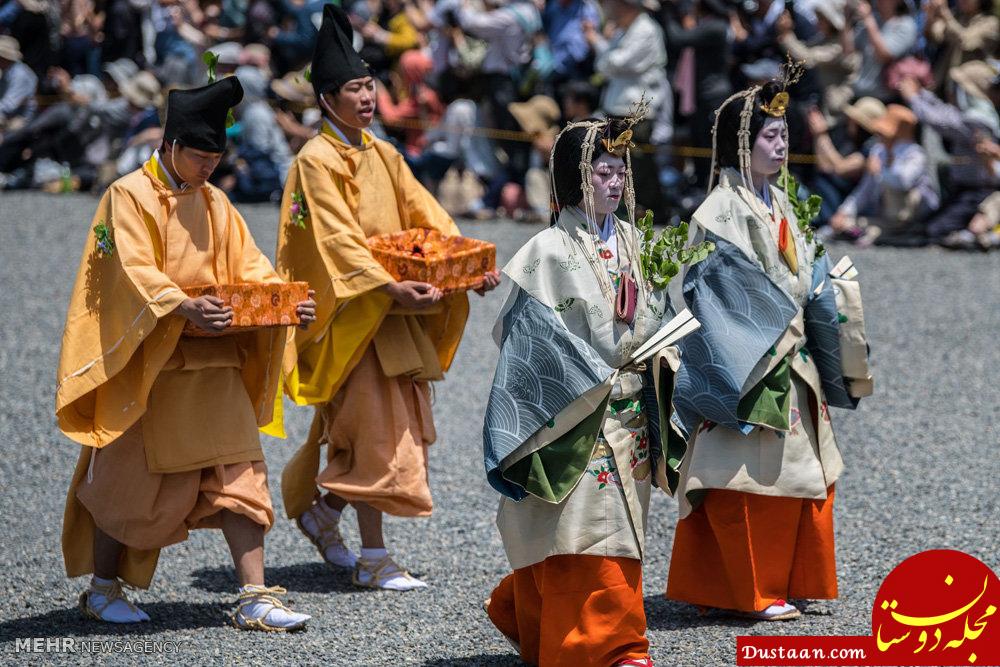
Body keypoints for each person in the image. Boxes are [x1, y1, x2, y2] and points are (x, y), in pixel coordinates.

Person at [57, 76, 317, 631]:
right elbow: (131, 269)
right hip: (153, 364)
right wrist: (182, 306)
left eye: (215, 157)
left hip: (215, 360)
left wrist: (281, 303)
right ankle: (103, 589)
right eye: (200, 156)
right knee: (126, 483)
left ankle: (254, 595)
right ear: (171, 144)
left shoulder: (216, 200)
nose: (208, 168)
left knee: (242, 477)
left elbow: (248, 267)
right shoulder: (126, 194)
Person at [272, 4, 500, 591]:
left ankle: (323, 513)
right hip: (353, 310)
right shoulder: (315, 161)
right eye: (354, 88)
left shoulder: (381, 151)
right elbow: (334, 243)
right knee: (375, 431)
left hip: (392, 308)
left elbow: (428, 213)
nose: (368, 97)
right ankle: (373, 558)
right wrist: (388, 285)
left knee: (394, 426)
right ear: (327, 99)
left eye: (370, 85)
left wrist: (466, 263)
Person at [483, 108, 701, 667]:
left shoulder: (634, 239)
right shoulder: (547, 251)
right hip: (576, 409)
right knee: (575, 529)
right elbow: (519, 334)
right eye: (603, 170)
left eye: (620, 170)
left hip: (631, 408)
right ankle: (588, 642)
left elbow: (656, 313)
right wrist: (582, 369)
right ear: (573, 180)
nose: (615, 181)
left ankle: (619, 642)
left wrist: (662, 349)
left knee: (624, 529)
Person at [665, 70, 873, 621]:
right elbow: (717, 298)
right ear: (741, 143)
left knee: (805, 474)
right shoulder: (718, 213)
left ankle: (783, 579)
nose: (781, 146)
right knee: (744, 479)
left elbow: (810, 277)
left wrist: (828, 299)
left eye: (784, 135)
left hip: (792, 359)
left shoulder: (783, 202)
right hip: (752, 361)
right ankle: (748, 589)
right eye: (769, 137)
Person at [585, 0, 670, 218]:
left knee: (637, 160)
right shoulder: (625, 31)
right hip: (619, 104)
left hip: (636, 107)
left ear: (626, 6)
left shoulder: (646, 29)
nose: (609, 8)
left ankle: (650, 209)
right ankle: (627, 206)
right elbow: (607, 64)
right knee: (620, 158)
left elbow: (617, 62)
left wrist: (599, 46)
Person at [899, 62, 1000, 244]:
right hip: (963, 188)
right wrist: (921, 93)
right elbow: (946, 112)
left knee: (935, 231)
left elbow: (942, 122)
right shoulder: (973, 114)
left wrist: (914, 97)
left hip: (976, 191)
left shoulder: (980, 120)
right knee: (924, 225)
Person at [828, 104, 939, 246]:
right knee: (846, 222)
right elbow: (865, 189)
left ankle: (897, 232)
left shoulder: (915, 154)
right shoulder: (879, 151)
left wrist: (879, 171)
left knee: (895, 192)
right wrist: (844, 211)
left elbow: (903, 182)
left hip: (911, 214)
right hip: (883, 214)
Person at [0, 35, 37, 138]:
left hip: (22, 119)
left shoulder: (20, 75)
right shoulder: (7, 71)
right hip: (7, 116)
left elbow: (9, 104)